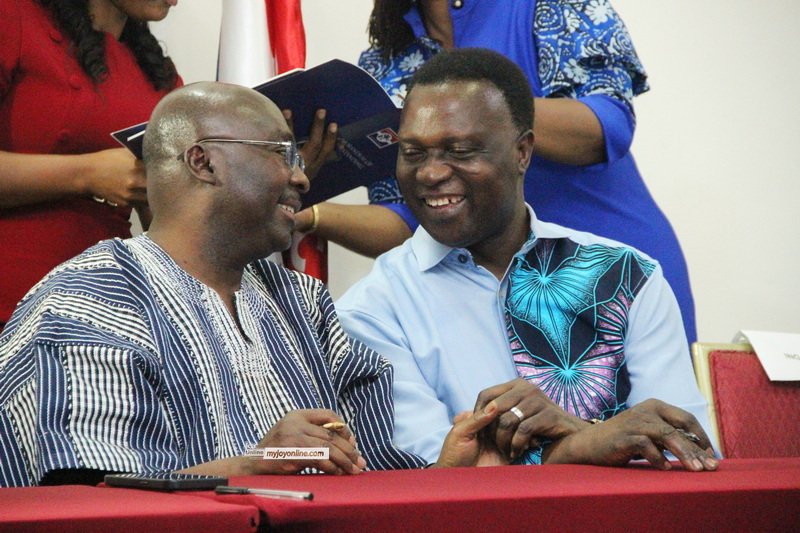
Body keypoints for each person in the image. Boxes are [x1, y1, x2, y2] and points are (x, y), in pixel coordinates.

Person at [0, 81, 524, 488]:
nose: (302, 177)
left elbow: (370, 477)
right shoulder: (87, 304)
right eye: (281, 153)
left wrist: (448, 473)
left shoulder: (303, 302)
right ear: (203, 161)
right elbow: (90, 503)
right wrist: (256, 464)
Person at [337, 48, 718, 470]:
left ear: (522, 152)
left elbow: (689, 453)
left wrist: (576, 431)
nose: (430, 173)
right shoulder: (371, 311)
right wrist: (582, 443)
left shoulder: (626, 276)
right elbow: (430, 473)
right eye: (412, 153)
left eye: (459, 150)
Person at [297, 0, 697, 345]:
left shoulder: (542, 6)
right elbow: (414, 219)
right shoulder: (387, 61)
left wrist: (474, 108)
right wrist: (306, 212)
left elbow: (606, 127)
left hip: (607, 270)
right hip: (490, 294)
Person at [0, 0, 182, 328]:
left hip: (106, 310)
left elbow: (167, 225)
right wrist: (88, 175)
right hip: (15, 303)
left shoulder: (157, 73)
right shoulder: (15, 16)